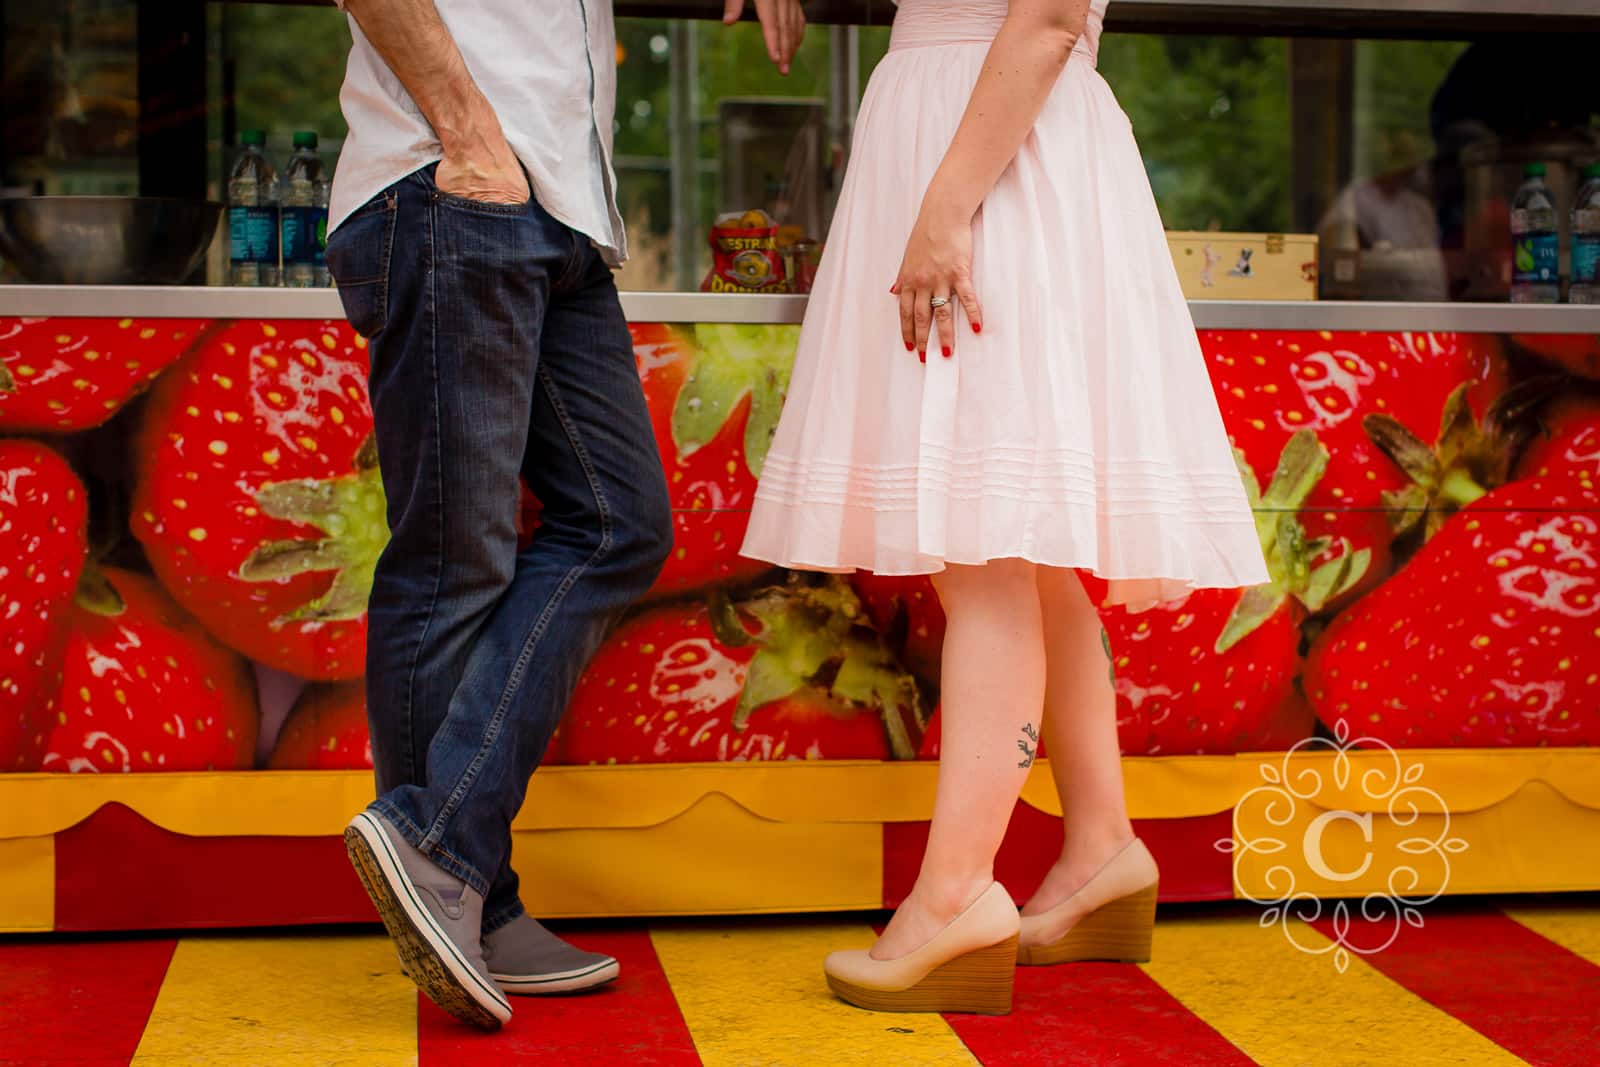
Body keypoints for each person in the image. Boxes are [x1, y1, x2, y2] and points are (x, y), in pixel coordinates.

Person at [740, 0, 1269, 1015]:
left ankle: (951, 897)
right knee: (1014, 540)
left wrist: (944, 207)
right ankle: (1101, 845)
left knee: (982, 540)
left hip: (989, 160)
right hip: (983, 144)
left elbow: (1048, 16)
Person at [324, 0, 805, 1030]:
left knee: (619, 520)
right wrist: (467, 133)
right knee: (455, 556)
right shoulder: (465, 158)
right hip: (457, 181)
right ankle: (459, 875)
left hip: (556, 207)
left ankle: (455, 864)